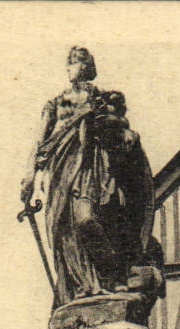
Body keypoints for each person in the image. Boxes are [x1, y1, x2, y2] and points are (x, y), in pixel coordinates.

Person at [20, 47, 155, 308]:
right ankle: (83, 287)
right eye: (69, 62)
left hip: (90, 170)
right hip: (61, 174)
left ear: (88, 67)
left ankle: (112, 277)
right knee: (66, 233)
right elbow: (39, 141)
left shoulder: (100, 100)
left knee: (86, 219)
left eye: (77, 62)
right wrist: (29, 175)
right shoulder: (55, 104)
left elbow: (120, 130)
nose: (71, 67)